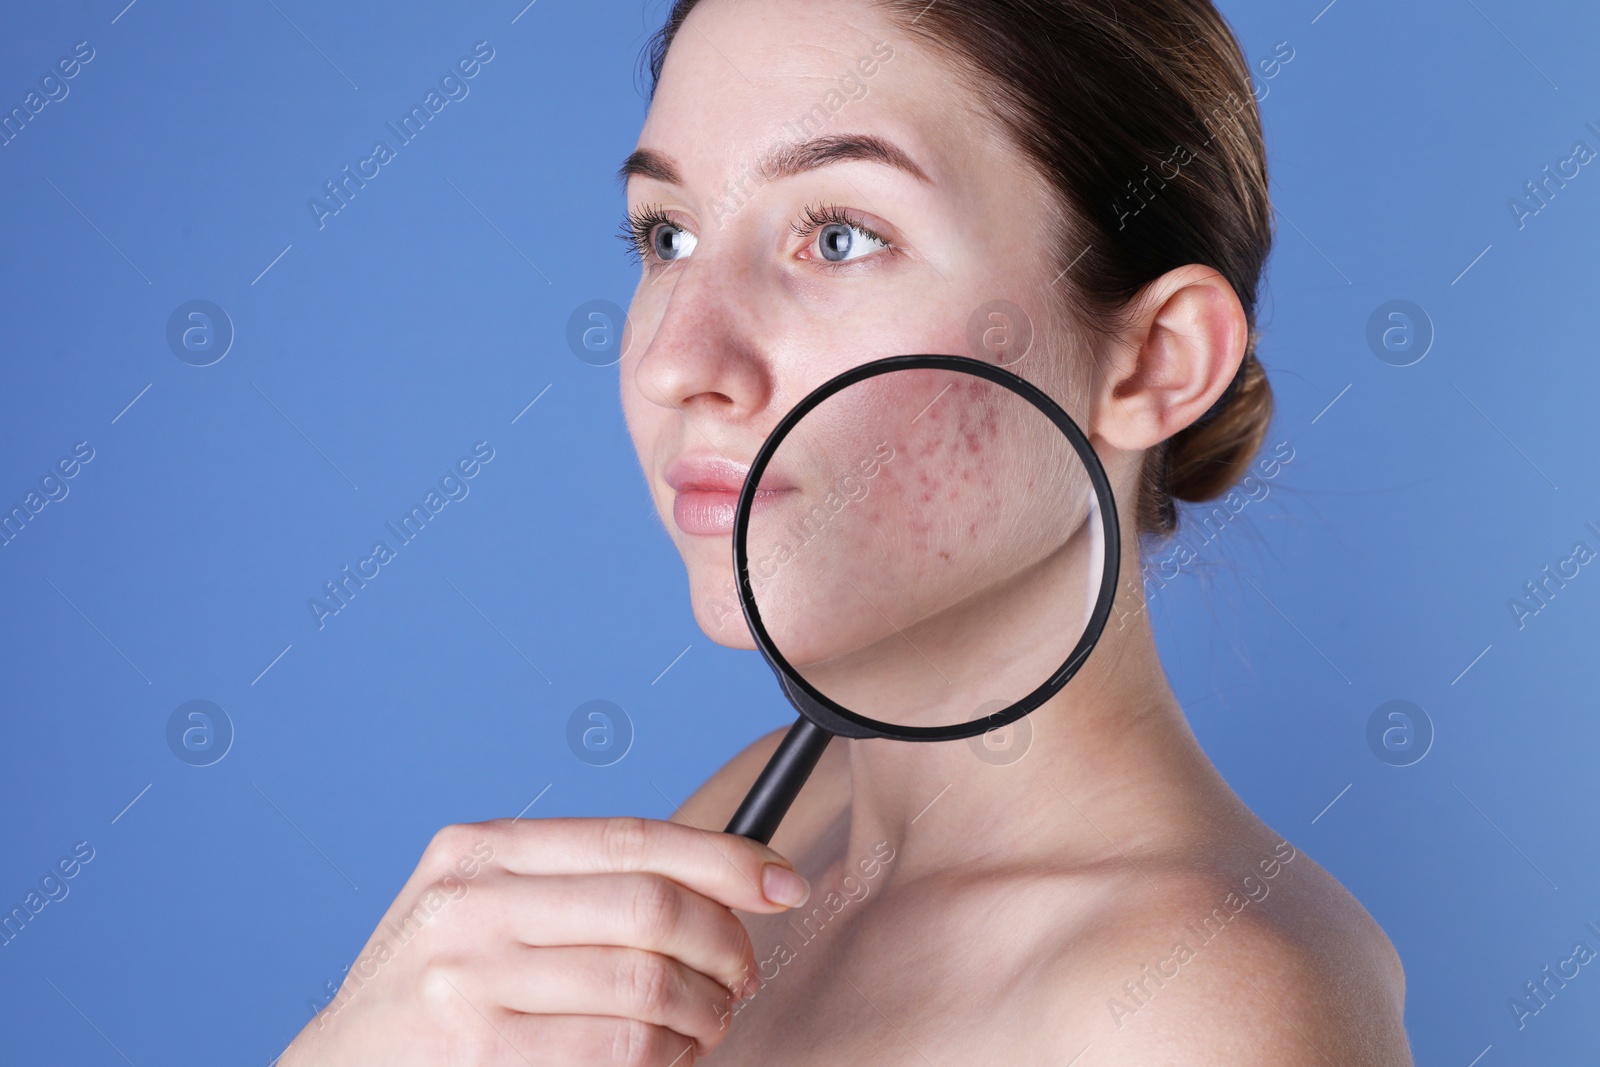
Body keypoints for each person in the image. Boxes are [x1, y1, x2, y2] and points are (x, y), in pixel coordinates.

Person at [279, 0, 1412, 1062]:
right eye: (666, 235)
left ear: (1157, 360)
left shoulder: (1197, 1004)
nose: (678, 360)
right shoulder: (763, 821)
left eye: (837, 238)